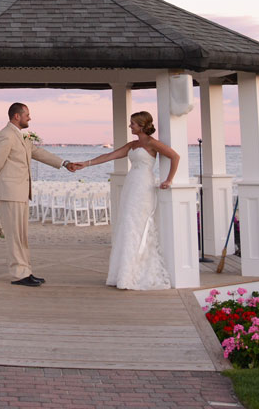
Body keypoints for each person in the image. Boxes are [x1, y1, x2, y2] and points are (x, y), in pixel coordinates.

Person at [65, 110, 178, 290]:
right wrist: (85, 163)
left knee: (137, 225)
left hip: (144, 186)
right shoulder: (132, 145)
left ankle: (135, 273)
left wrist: (168, 180)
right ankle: (123, 273)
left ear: (142, 125)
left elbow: (175, 156)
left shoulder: (152, 143)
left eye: (133, 123)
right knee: (126, 224)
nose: (130, 126)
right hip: (131, 184)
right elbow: (109, 156)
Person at [0, 102, 67, 287]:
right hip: (9, 192)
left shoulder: (21, 136)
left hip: (21, 192)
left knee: (22, 235)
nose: (29, 118)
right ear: (17, 116)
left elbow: (38, 152)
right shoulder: (5, 136)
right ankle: (19, 274)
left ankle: (26, 271)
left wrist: (64, 163)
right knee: (14, 235)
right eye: (27, 115)